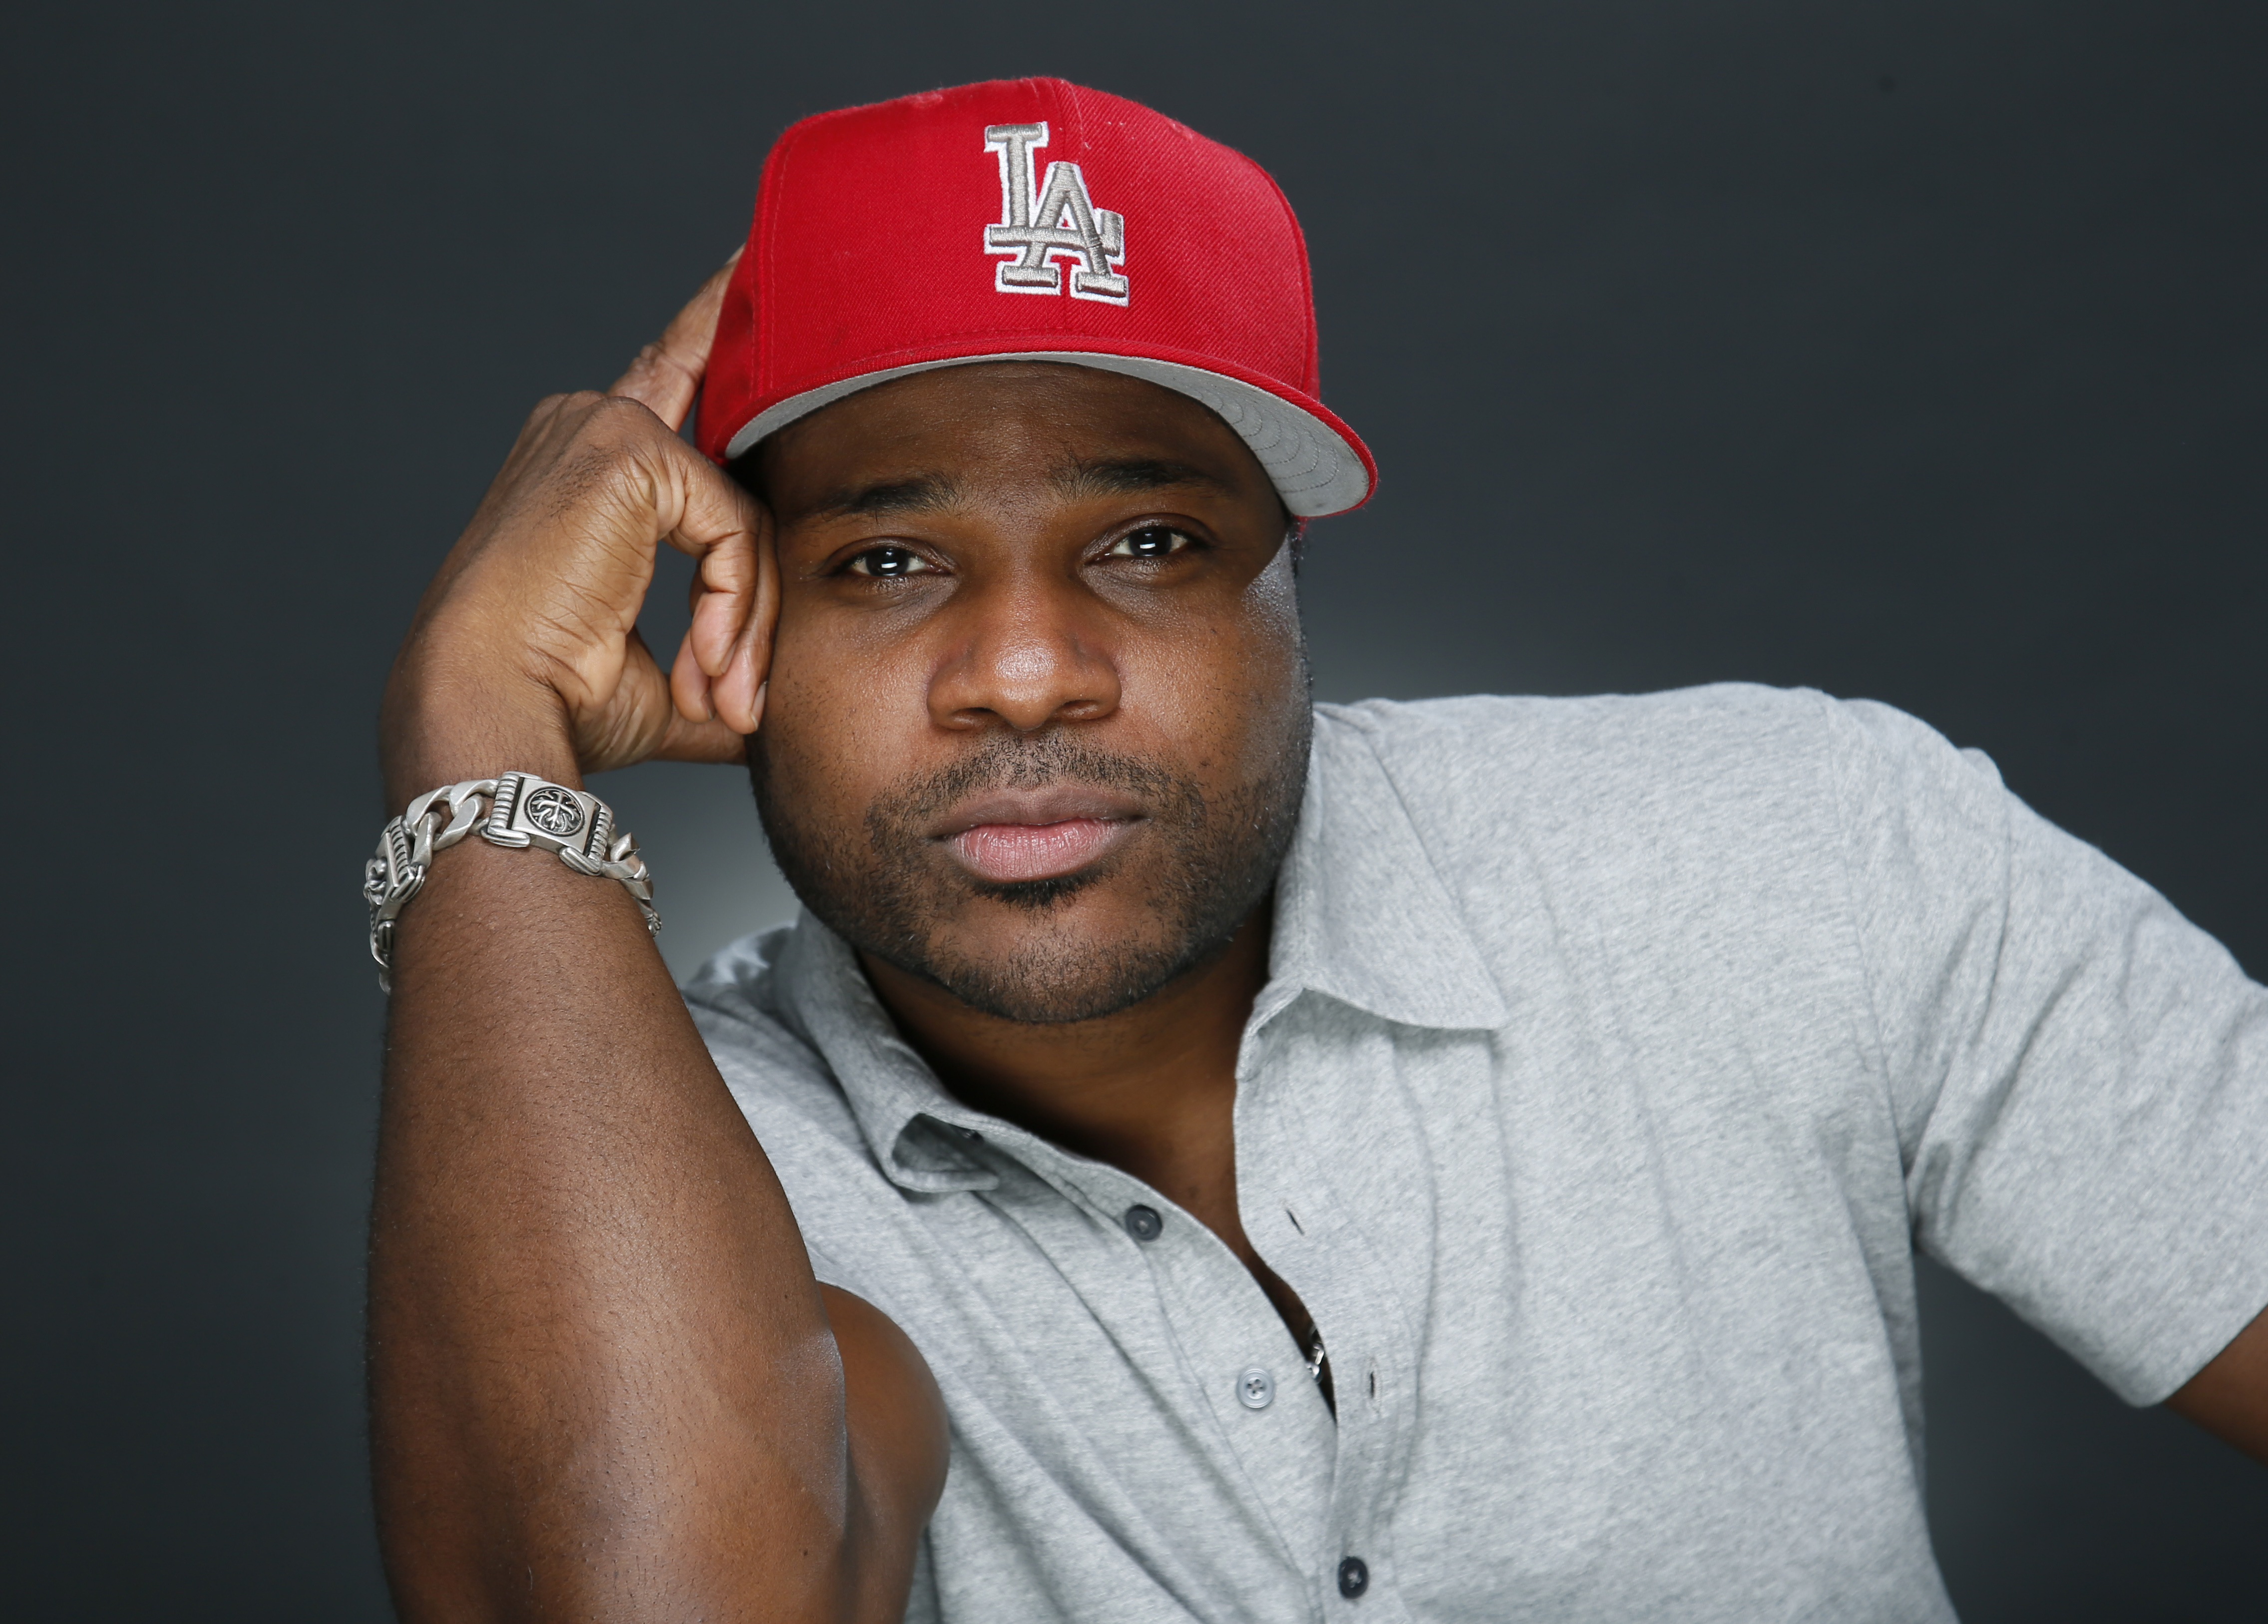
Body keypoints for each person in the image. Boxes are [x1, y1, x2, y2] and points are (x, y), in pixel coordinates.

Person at [365, 77, 2268, 1623]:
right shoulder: (650, 1167)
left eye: (1147, 542)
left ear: (1292, 578)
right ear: (736, 617)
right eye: (885, 558)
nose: (1025, 672)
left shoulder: (1803, 852)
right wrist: (476, 715)